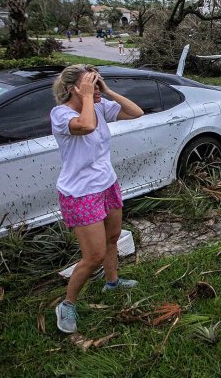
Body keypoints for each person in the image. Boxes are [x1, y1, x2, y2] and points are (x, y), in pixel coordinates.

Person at [50, 65, 144, 333]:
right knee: (93, 255)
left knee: (113, 239)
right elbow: (87, 126)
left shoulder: (100, 106)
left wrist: (106, 90)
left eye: (96, 81)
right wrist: (90, 98)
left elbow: (136, 112)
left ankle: (112, 281)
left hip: (107, 184)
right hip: (81, 193)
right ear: (72, 89)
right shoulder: (61, 114)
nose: (95, 86)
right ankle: (67, 304)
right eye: (89, 83)